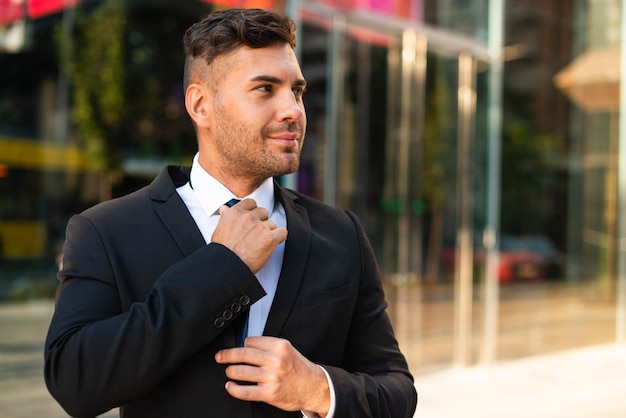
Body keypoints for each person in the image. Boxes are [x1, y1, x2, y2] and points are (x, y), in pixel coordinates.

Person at [44, 7, 417, 418]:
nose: (293, 110)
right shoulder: (107, 230)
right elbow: (74, 382)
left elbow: (397, 392)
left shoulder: (341, 234)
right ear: (201, 105)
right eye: (264, 89)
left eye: (297, 90)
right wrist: (222, 267)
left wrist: (319, 389)